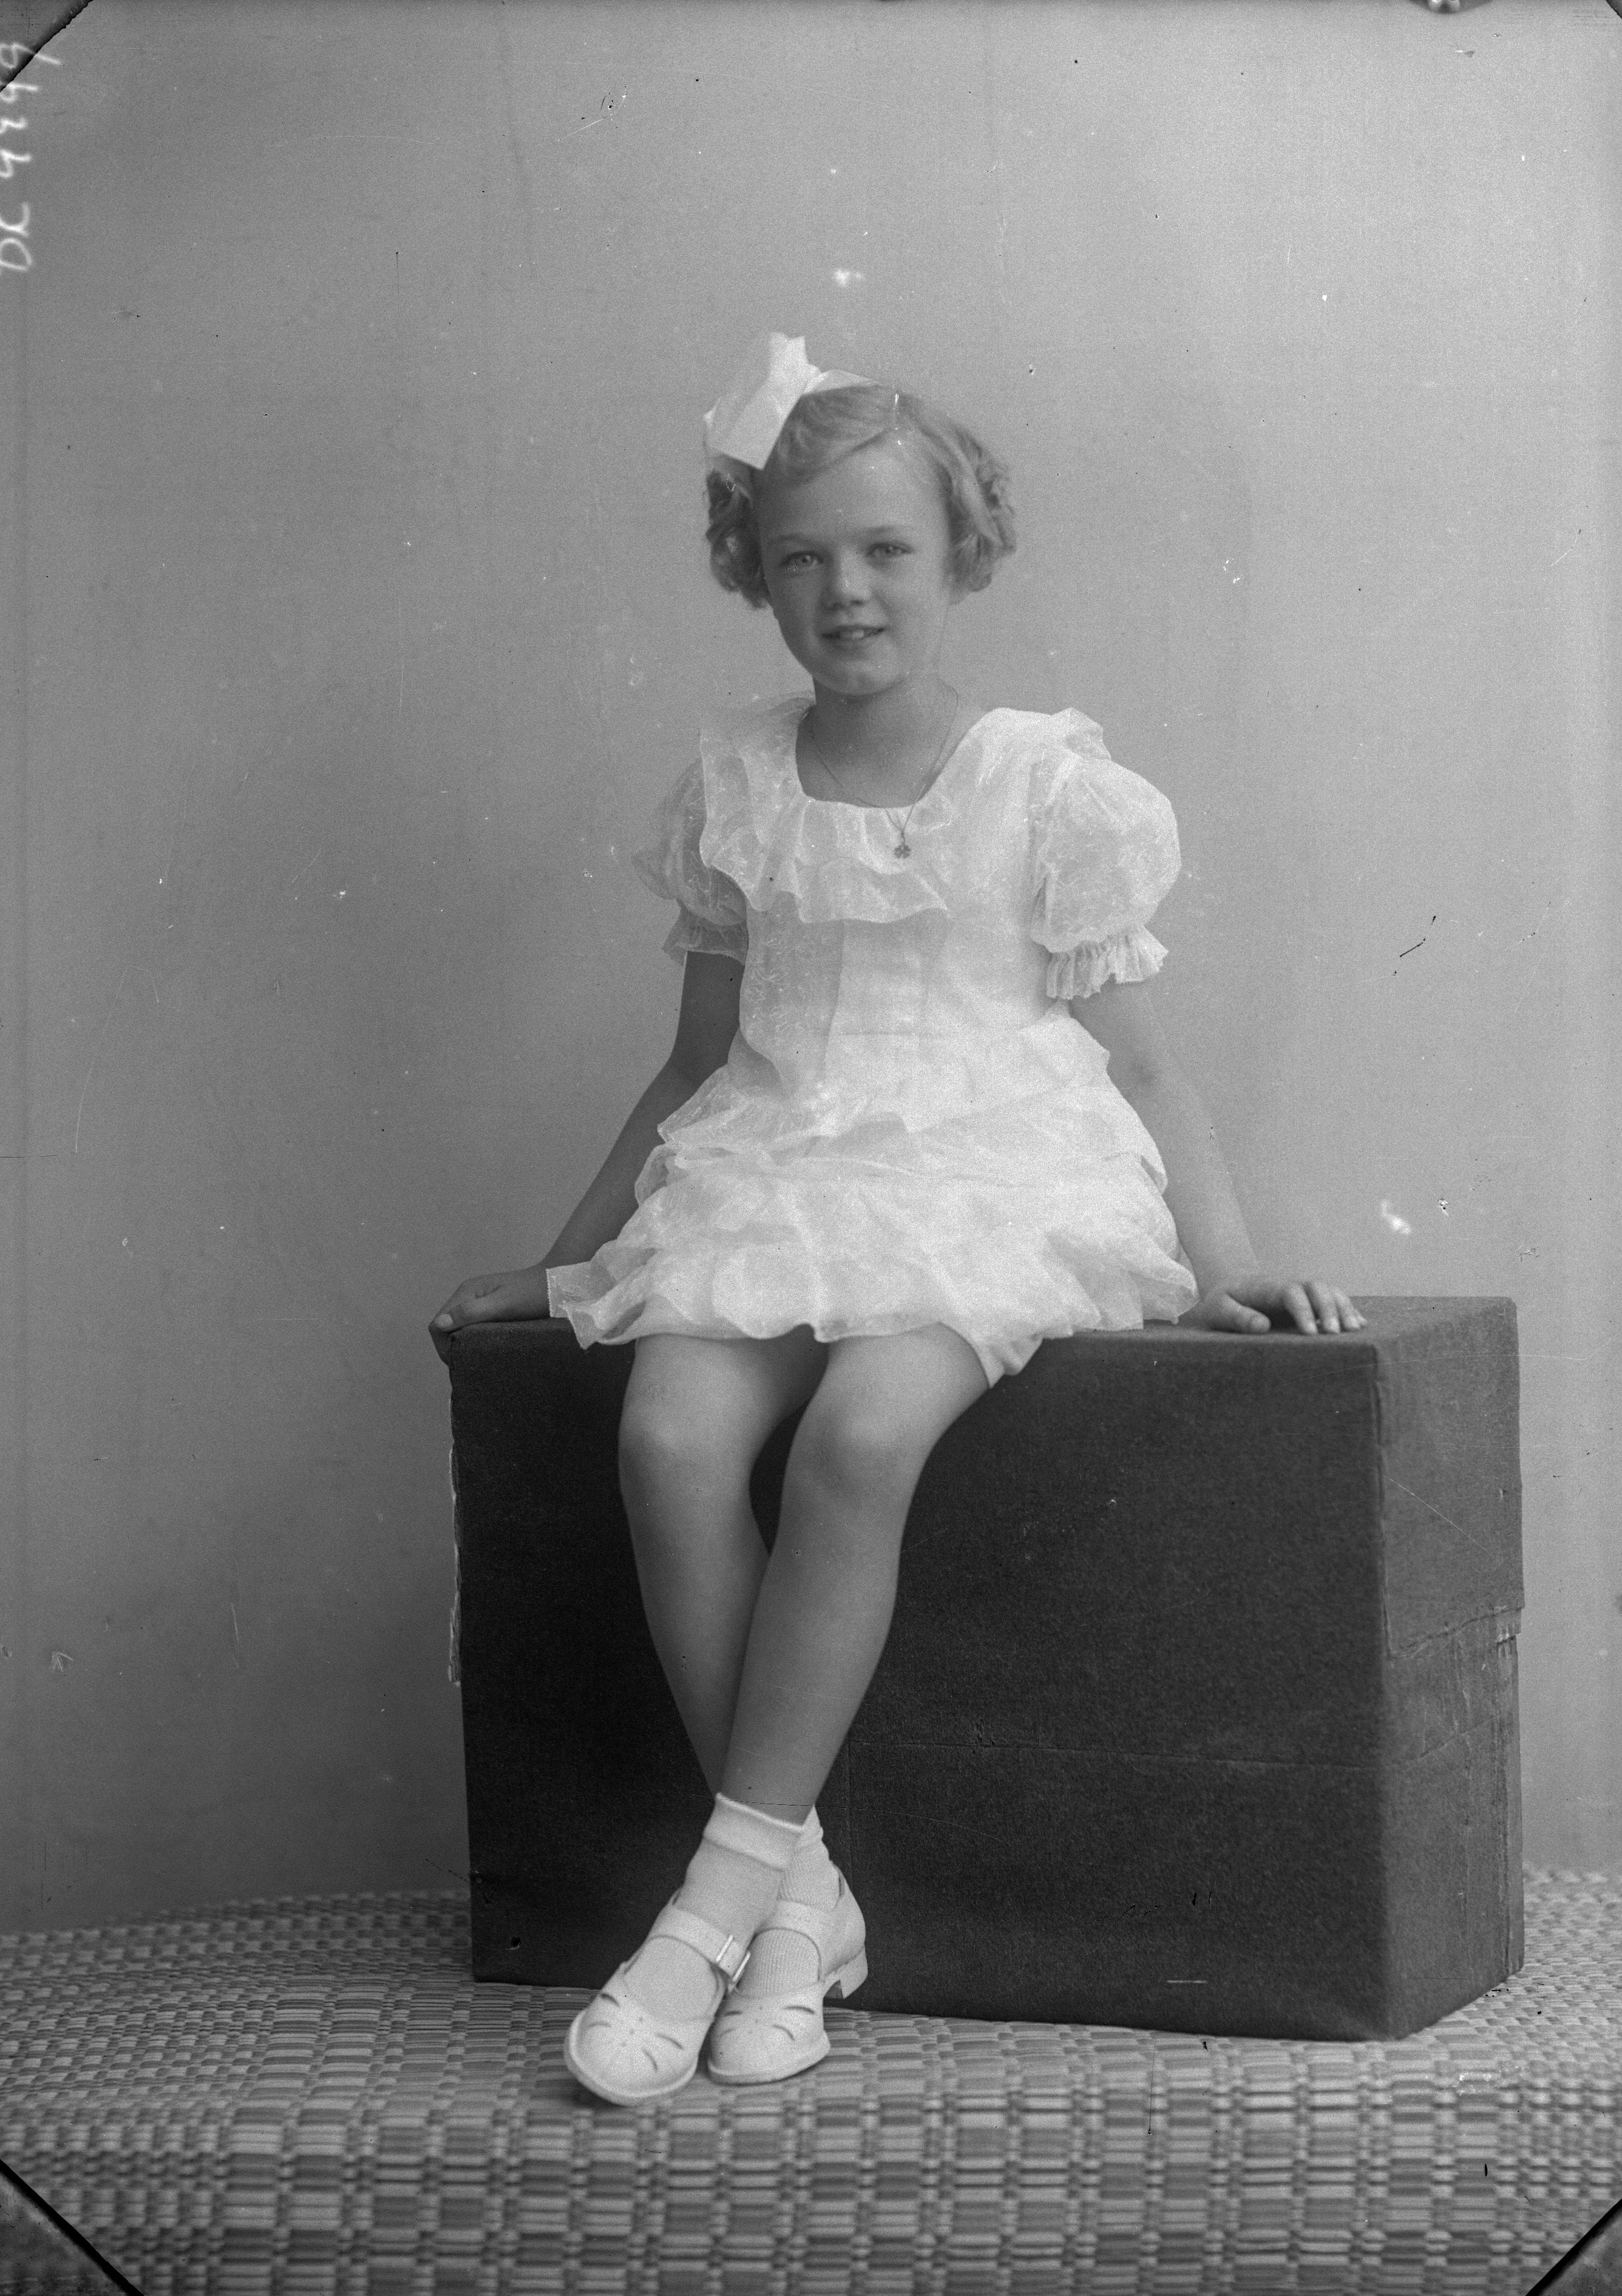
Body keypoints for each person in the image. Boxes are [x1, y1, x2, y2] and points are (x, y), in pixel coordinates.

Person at [428, 331, 1363, 2107]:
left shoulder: (1046, 785)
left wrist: (1227, 1263)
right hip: (779, 1162)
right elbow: (693, 1063)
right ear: (752, 569)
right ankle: (803, 1908)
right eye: (801, 557)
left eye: (884, 551)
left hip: (989, 1171)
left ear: (961, 554)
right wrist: (567, 1261)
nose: (844, 590)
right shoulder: (738, 781)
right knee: (669, 1436)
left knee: (863, 1434)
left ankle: (709, 1911)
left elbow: (1144, 1065)